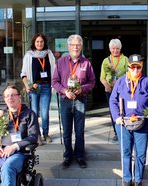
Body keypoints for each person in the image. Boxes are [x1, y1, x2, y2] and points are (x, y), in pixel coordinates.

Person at [110, 54, 148, 186]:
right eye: (133, 67)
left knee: (140, 154)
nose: (135, 70)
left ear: (141, 67)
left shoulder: (147, 81)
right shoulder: (120, 81)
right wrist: (116, 117)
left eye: (138, 68)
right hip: (124, 123)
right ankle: (127, 179)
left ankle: (138, 180)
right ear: (128, 67)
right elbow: (113, 100)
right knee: (126, 152)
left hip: (142, 123)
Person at [52, 34, 95, 169]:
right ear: (68, 46)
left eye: (78, 45)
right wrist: (65, 91)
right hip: (65, 100)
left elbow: (92, 82)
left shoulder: (86, 63)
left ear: (81, 46)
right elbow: (54, 81)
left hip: (80, 100)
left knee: (79, 130)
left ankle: (80, 156)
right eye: (73, 45)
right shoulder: (61, 62)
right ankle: (68, 156)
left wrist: (81, 89)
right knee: (66, 131)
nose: (75, 47)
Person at [0, 85, 39, 186]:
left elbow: (33, 136)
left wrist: (15, 146)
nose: (10, 98)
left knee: (8, 166)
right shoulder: (1, 115)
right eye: (7, 96)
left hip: (19, 152)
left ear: (19, 97)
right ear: (4, 99)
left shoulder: (29, 114)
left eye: (13, 95)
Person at [20, 33, 56, 145]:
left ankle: (46, 133)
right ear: (34, 43)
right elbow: (24, 73)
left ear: (44, 42)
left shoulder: (49, 54)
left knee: (45, 113)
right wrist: (27, 86)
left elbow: (55, 70)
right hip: (34, 88)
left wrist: (54, 84)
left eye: (41, 41)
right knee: (34, 113)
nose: (39, 43)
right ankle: (37, 135)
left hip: (46, 86)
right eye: (37, 42)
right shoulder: (29, 55)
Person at [100, 38, 128, 141]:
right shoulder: (106, 61)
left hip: (122, 89)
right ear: (110, 49)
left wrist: (119, 81)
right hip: (110, 90)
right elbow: (102, 77)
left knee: (124, 110)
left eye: (117, 48)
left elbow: (129, 74)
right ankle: (117, 132)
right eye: (113, 48)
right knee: (113, 112)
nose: (115, 51)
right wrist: (106, 86)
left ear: (120, 49)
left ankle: (125, 131)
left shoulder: (125, 59)